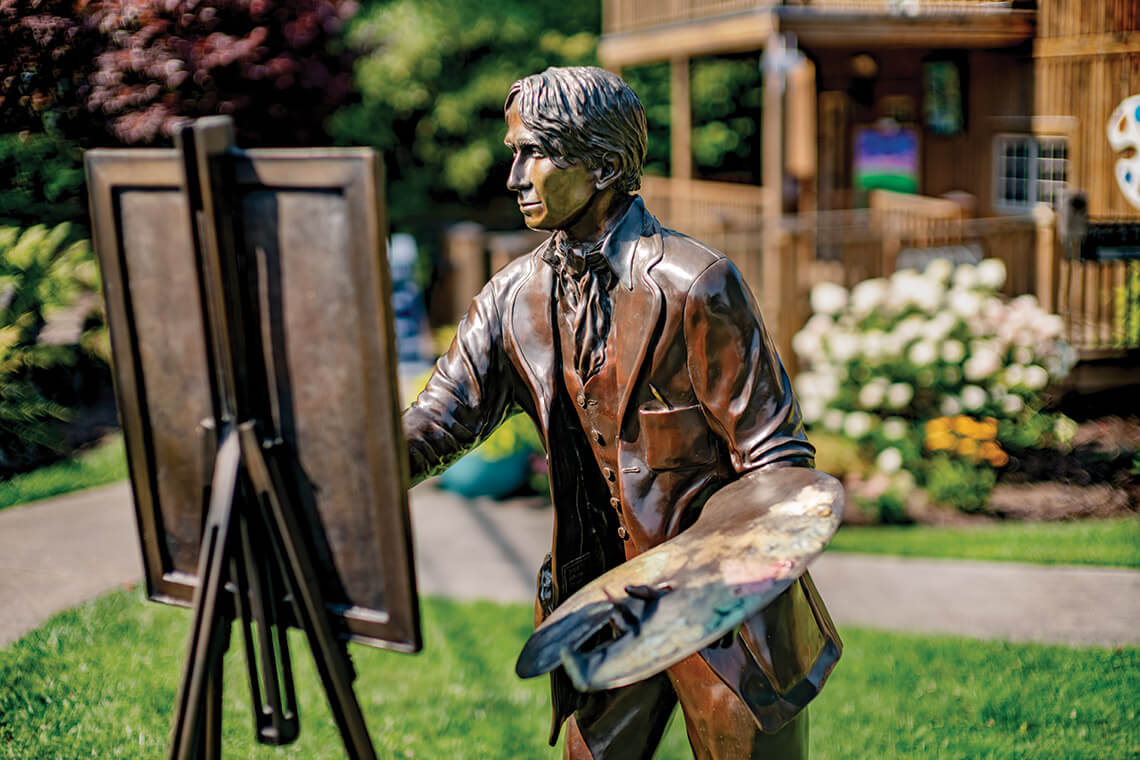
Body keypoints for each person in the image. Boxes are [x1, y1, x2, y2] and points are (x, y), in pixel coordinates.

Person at [403, 66, 840, 760]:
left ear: (603, 164)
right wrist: (343, 460)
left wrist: (704, 573)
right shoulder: (512, 297)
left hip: (723, 611)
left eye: (533, 153)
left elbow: (778, 463)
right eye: (513, 152)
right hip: (603, 606)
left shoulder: (697, 284)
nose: (513, 176)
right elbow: (440, 420)